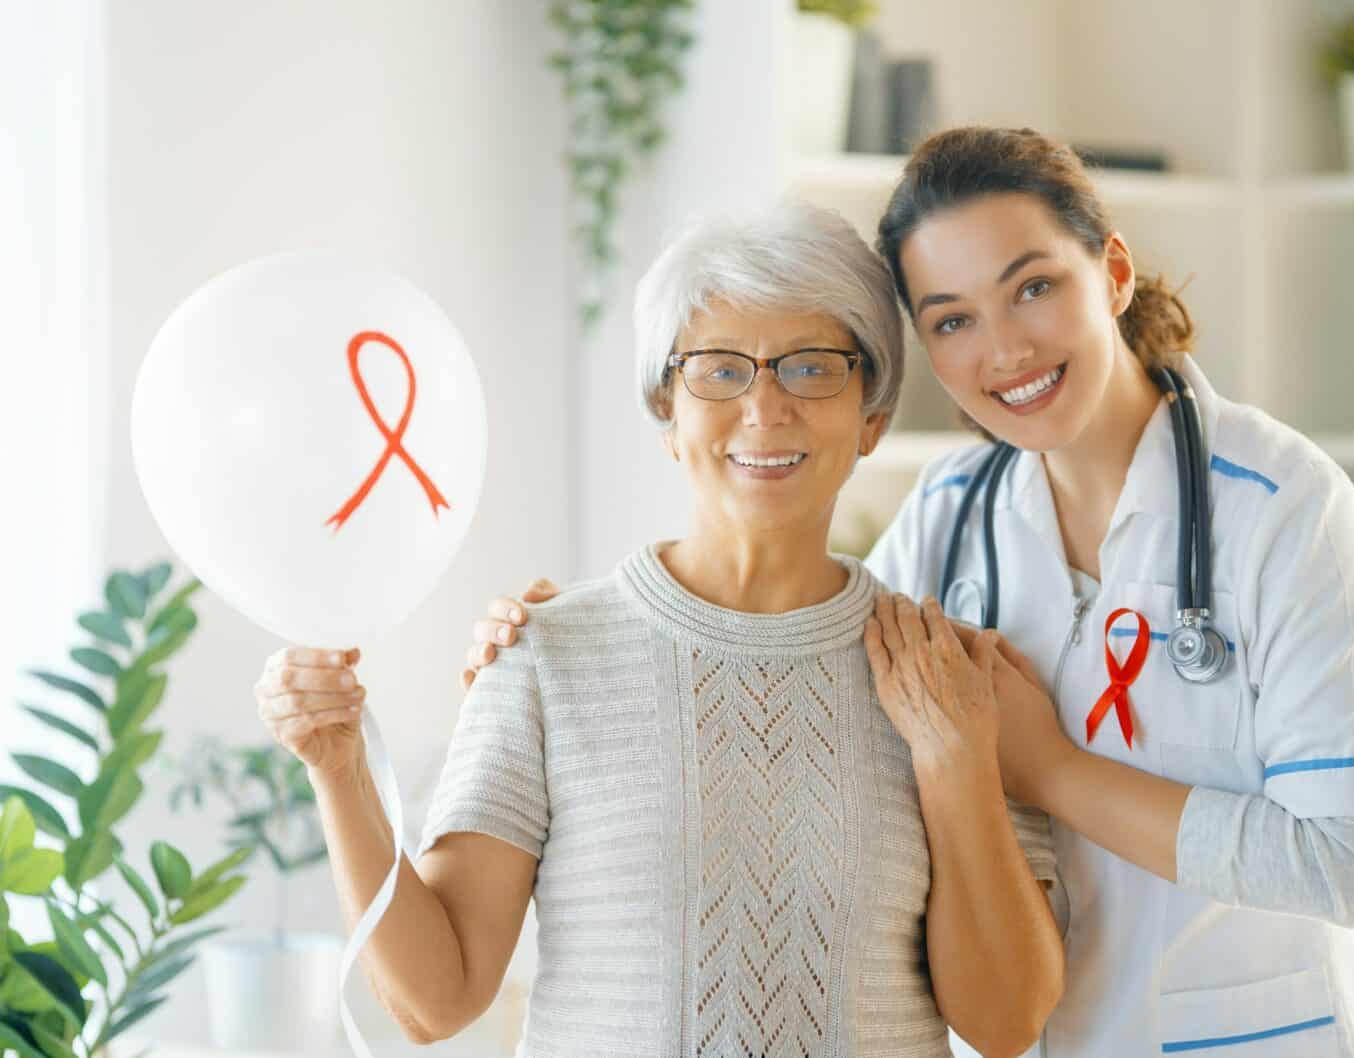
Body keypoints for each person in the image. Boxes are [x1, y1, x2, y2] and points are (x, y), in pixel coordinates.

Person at [468, 128, 1354, 1058]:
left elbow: (1345, 863)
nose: (1003, 351)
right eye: (952, 319)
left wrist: (1047, 769)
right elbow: (805, 635)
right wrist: (567, 639)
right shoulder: (950, 518)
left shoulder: (1284, 506)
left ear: (1114, 274)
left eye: (1033, 288)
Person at [255, 199, 1063, 1058]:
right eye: (719, 370)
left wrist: (958, 761)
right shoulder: (543, 655)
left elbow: (1007, 1025)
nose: (764, 407)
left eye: (812, 367)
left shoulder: (950, 678)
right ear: (666, 414)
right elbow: (434, 1001)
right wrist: (340, 772)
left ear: (872, 416)